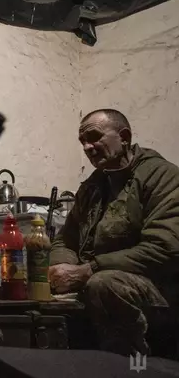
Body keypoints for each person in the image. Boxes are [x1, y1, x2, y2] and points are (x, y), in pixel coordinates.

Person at [49, 108, 179, 357]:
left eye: (95, 137)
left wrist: (88, 270)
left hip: (161, 290)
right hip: (101, 285)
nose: (87, 147)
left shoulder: (162, 177)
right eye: (83, 142)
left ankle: (134, 369)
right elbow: (65, 240)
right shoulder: (92, 186)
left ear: (125, 137)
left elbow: (164, 247)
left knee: (104, 284)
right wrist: (61, 269)